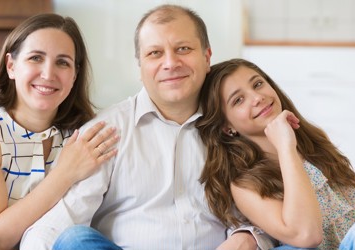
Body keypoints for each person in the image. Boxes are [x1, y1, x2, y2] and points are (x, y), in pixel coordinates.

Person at [21, 4, 276, 250]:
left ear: (207, 57)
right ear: (140, 66)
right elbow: (58, 224)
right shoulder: (104, 132)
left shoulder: (234, 124)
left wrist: (248, 237)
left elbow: (276, 216)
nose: (171, 63)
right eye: (155, 53)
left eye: (183, 48)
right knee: (75, 240)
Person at [0, 13, 119, 249]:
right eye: (35, 58)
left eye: (62, 62)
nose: (48, 74)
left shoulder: (82, 134)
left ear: (74, 75)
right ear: (11, 66)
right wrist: (65, 174)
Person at [196, 58, 355, 249]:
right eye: (238, 100)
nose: (257, 97)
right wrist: (285, 147)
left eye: (258, 84)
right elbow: (306, 235)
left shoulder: (312, 141)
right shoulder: (245, 185)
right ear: (226, 127)